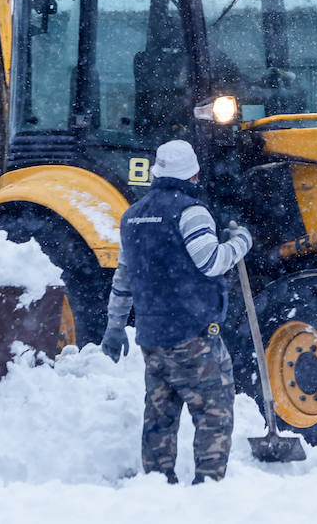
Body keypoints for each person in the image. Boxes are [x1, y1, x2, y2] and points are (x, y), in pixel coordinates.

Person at [102, 139, 253, 484]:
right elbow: (212, 262)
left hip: (152, 337)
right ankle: (208, 485)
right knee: (214, 410)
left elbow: (123, 277)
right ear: (195, 173)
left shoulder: (133, 216)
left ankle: (158, 484)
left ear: (156, 173)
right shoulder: (191, 212)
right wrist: (242, 240)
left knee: (160, 414)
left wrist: (114, 325)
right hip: (192, 334)